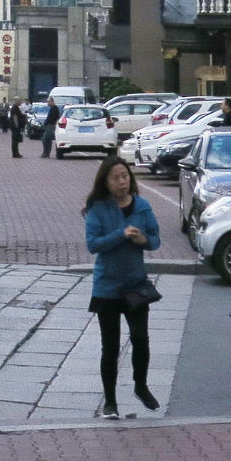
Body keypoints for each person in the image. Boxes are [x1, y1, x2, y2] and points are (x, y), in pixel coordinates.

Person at [82, 156, 162, 419]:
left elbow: (155, 240)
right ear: (105, 182)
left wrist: (143, 239)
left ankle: (141, 385)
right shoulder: (98, 209)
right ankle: (111, 402)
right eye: (116, 177)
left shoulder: (143, 206)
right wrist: (121, 234)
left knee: (141, 339)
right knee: (111, 346)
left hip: (136, 284)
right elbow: (93, 244)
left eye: (125, 176)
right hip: (108, 286)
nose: (122, 181)